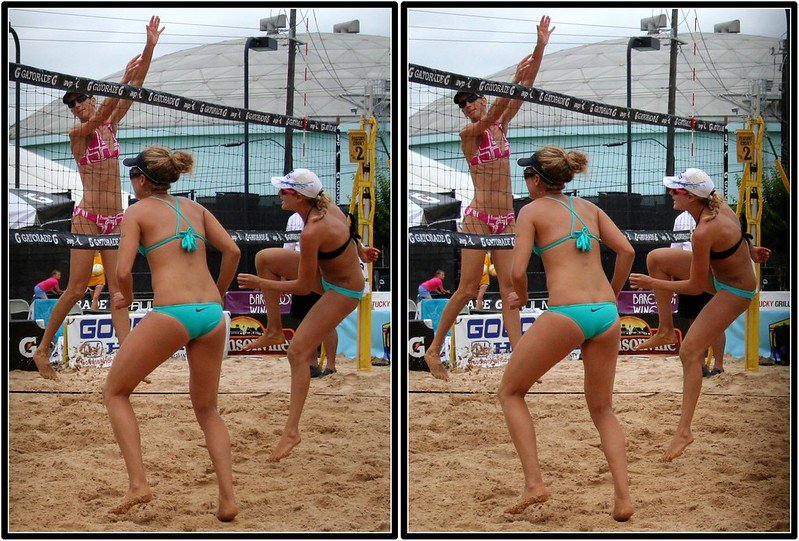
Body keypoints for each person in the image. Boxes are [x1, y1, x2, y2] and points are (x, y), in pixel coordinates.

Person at [499, 146, 635, 521]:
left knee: (510, 392)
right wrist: (613, 293)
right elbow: (626, 250)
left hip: (567, 313)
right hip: (606, 315)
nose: (524, 181)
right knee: (603, 409)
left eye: (527, 175)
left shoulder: (531, 211)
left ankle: (534, 483)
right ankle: (623, 499)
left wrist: (521, 299)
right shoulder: (589, 208)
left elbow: (516, 271)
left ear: (537, 180)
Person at [104, 146, 240, 520]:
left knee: (115, 392)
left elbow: (122, 272)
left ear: (143, 181)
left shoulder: (137, 211)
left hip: (173, 313)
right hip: (212, 314)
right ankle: (227, 499)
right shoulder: (196, 209)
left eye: (133, 175)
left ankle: (138, 484)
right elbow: (232, 251)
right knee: (208, 409)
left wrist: (124, 300)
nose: (130, 180)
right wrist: (221, 291)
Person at [31, 16, 164, 380]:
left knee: (119, 291)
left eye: (79, 100)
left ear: (90, 97)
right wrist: (121, 81)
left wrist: (150, 47)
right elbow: (106, 108)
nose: (76, 107)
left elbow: (135, 87)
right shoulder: (79, 133)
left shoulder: (110, 125)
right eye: (71, 104)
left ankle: (129, 360)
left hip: (116, 218)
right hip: (88, 217)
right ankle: (43, 351)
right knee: (75, 288)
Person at [424, 16, 554, 381]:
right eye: (462, 104)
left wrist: (540, 48)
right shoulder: (469, 132)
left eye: (470, 100)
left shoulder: (500, 126)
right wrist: (512, 81)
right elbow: (499, 106)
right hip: (478, 218)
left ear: (481, 97)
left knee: (510, 288)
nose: (466, 107)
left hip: (506, 219)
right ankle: (435, 350)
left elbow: (523, 90)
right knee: (467, 288)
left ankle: (520, 360)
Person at [237, 168, 379, 462]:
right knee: (264, 258)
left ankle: (291, 431)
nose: (279, 196)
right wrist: (362, 250)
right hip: (330, 276)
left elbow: (302, 287)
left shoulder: (313, 230)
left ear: (299, 197)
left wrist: (260, 284)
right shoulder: (327, 208)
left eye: (284, 191)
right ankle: (274, 330)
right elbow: (351, 234)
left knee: (298, 353)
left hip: (344, 290)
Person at [629, 168, 770, 462]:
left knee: (690, 352)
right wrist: (749, 250)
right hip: (723, 276)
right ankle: (665, 330)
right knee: (656, 258)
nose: (671, 194)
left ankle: (684, 431)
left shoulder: (704, 231)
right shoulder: (717, 205)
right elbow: (739, 236)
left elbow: (694, 287)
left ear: (691, 196)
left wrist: (653, 284)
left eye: (676, 190)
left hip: (736, 290)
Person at [668, 211, 726, 376]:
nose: (674, 194)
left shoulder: (714, 215)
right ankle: (700, 365)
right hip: (688, 269)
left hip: (711, 269)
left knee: (715, 321)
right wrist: (674, 278)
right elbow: (676, 248)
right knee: (693, 318)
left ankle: (719, 365)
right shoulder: (680, 218)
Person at [284, 211, 339, 377]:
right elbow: (288, 247)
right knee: (304, 319)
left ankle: (331, 365)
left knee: (326, 321)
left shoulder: (327, 215)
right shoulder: (293, 218)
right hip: (301, 270)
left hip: (323, 271)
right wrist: (285, 275)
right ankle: (312, 364)